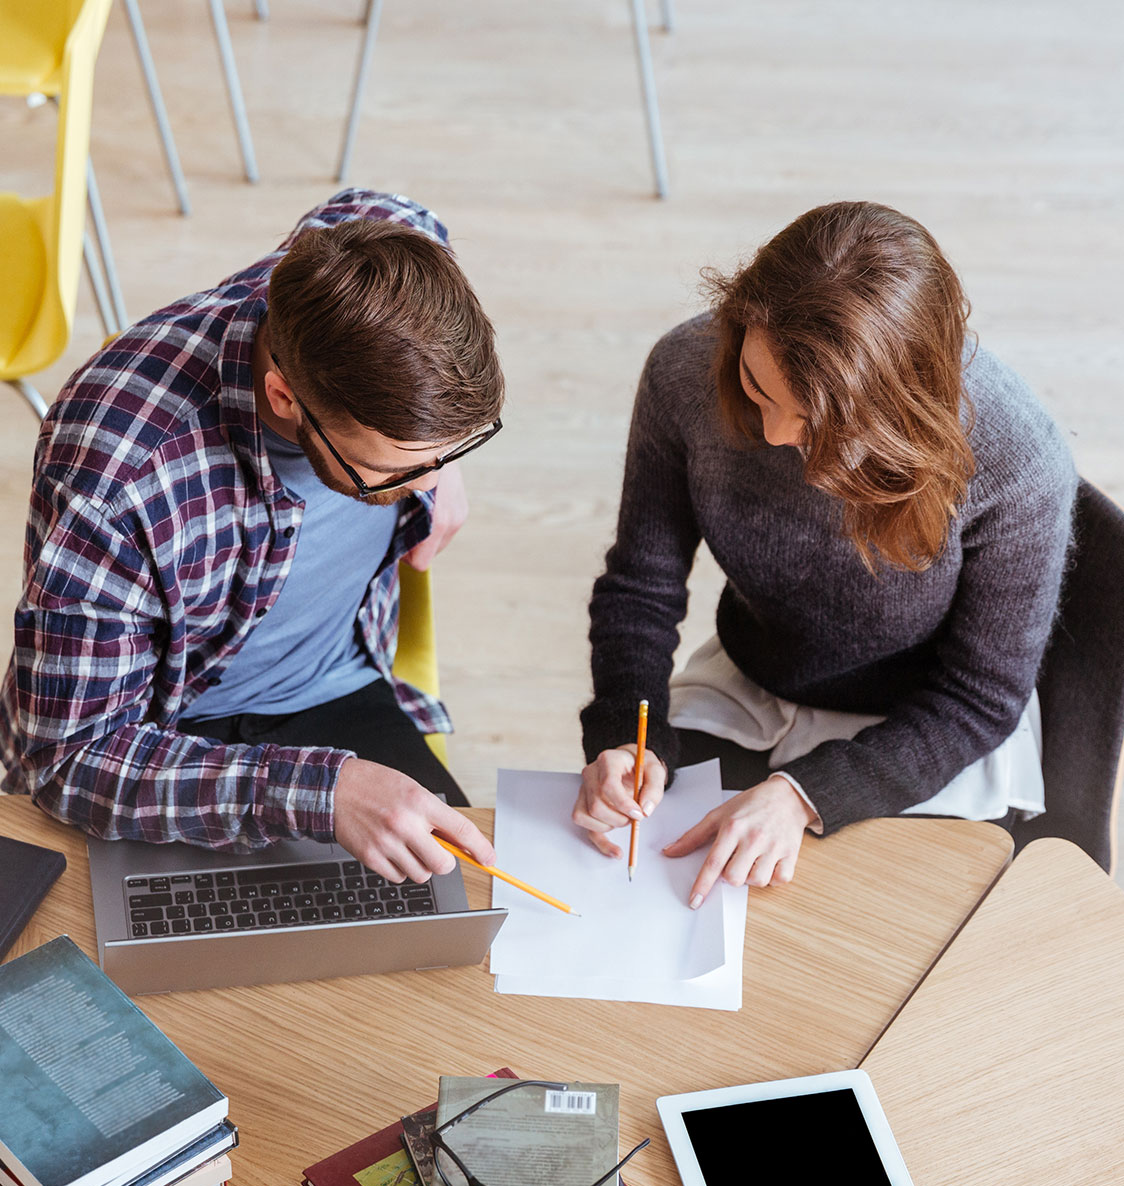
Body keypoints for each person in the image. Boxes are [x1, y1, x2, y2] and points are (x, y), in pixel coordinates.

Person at [573, 201, 1076, 908]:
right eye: (757, 386)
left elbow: (979, 697)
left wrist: (804, 796)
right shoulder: (683, 372)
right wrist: (626, 733)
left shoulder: (1016, 458)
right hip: (755, 683)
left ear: (904, 413)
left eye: (817, 423)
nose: (776, 432)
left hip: (926, 727)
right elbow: (640, 589)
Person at [0, 190, 502, 884]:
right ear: (285, 398)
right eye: (393, 468)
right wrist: (320, 793)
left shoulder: (378, 248)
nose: (423, 488)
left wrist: (432, 458)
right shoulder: (117, 470)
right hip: (171, 744)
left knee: (453, 934)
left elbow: (393, 207)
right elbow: (64, 759)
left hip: (343, 687)